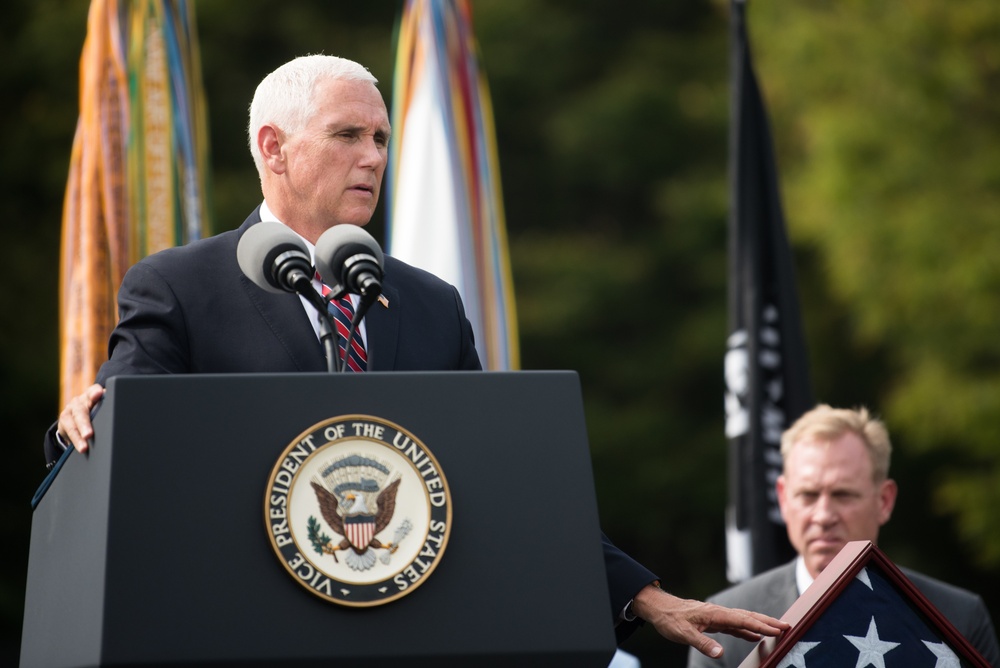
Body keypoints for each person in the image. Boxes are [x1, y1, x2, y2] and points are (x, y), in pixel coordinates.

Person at [48, 54, 789, 660]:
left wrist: (644, 596)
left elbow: (495, 482)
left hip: (412, 638)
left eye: (381, 139)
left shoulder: (427, 303)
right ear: (273, 147)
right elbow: (121, 423)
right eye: (348, 136)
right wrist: (90, 419)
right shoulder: (179, 286)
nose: (372, 157)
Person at [687, 404, 1000, 667]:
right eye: (808, 495)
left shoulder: (959, 619)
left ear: (884, 501)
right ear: (783, 499)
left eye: (843, 494)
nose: (823, 516)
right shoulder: (723, 627)